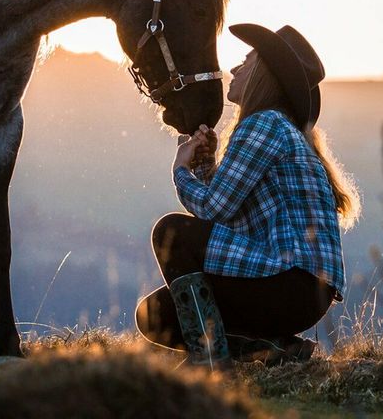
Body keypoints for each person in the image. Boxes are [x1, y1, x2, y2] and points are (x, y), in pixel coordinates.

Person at [135, 23, 362, 370]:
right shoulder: (281, 128)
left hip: (287, 283)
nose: (235, 69)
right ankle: (268, 346)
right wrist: (207, 164)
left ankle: (209, 360)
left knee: (171, 232)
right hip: (301, 293)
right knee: (156, 314)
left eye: (246, 61)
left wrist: (180, 171)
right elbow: (235, 217)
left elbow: (214, 208)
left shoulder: (264, 124)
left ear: (263, 73)